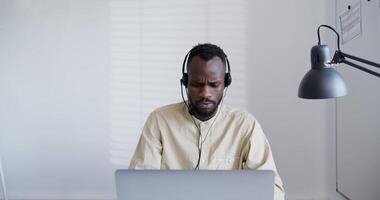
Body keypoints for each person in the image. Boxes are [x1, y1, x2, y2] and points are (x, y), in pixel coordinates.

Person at [129, 43, 285, 199]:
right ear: (185, 82)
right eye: (197, 85)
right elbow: (138, 185)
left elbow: (273, 191)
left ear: (226, 83)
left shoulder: (245, 125)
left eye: (214, 85)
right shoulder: (159, 121)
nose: (205, 93)